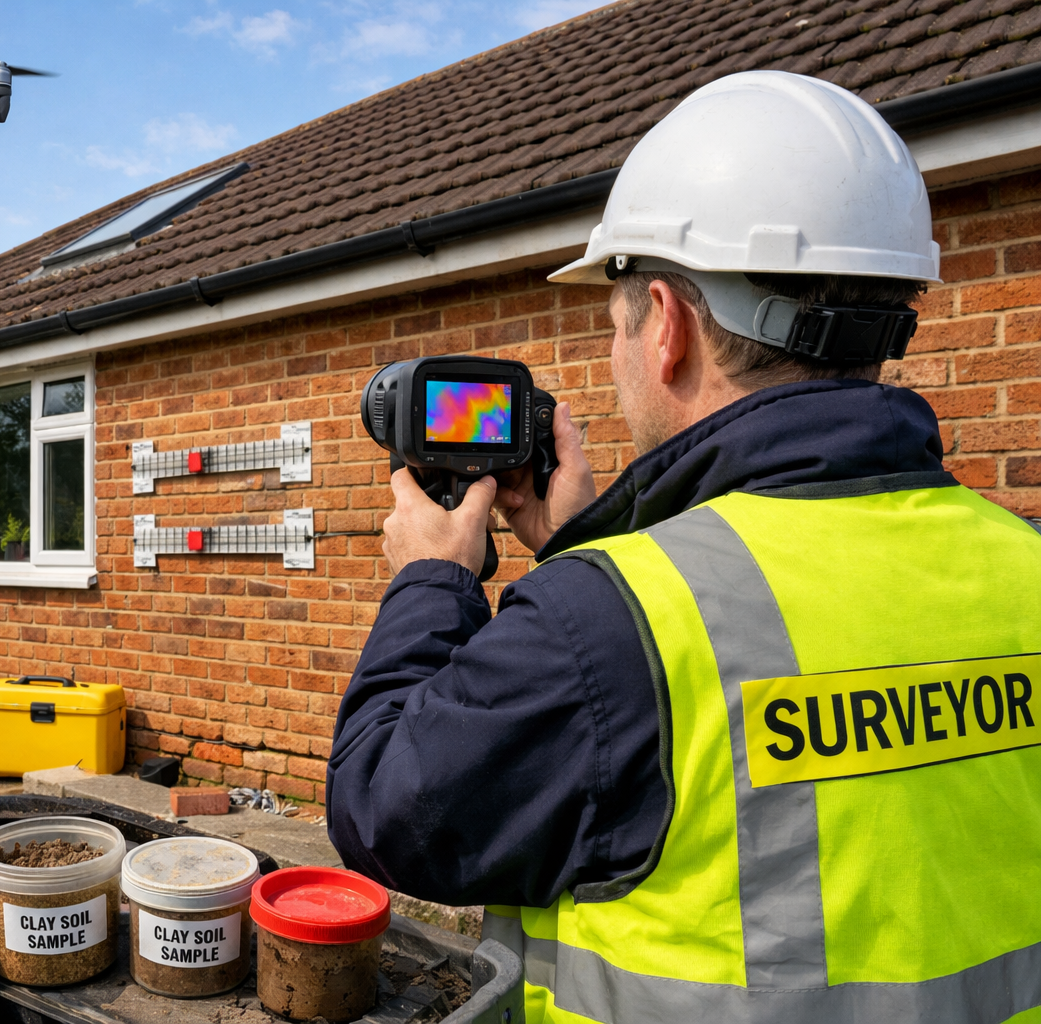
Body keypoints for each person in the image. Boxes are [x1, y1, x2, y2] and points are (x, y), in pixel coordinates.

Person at [326, 70, 1041, 1022]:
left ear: (665, 324)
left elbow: (386, 810)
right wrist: (586, 549)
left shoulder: (608, 621)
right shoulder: (1019, 560)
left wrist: (430, 579)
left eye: (616, 318)